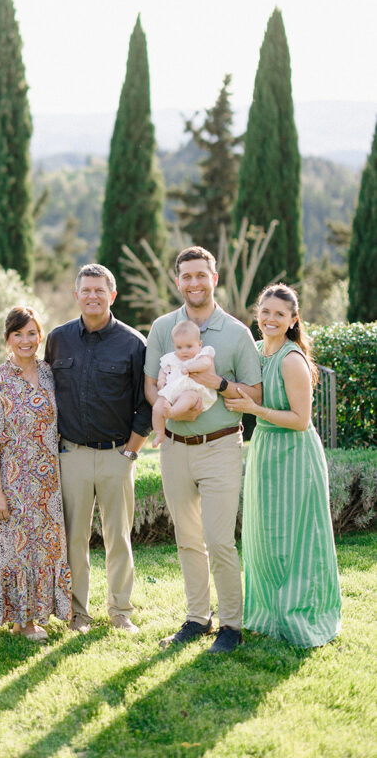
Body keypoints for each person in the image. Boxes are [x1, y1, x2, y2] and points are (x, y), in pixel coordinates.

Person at [144, 246, 262, 653]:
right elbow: (150, 383)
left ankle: (232, 625)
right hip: (175, 447)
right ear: (178, 281)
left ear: (215, 278)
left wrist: (216, 385)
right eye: (186, 276)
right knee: (188, 538)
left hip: (220, 447)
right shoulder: (162, 327)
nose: (194, 282)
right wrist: (173, 404)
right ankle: (197, 618)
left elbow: (254, 392)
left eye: (201, 275)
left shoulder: (236, 332)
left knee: (220, 539)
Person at [224, 284, 341, 647]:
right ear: (257, 314)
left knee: (295, 538)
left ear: (293, 320)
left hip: (294, 454)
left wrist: (255, 411)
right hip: (265, 451)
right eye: (265, 311)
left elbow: (301, 420)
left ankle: (300, 612)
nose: (270, 319)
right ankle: (268, 613)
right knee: (263, 536)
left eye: (279, 314)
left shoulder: (292, 359)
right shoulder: (256, 350)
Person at [44, 263, 151, 634]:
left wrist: (131, 452)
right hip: (71, 454)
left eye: (99, 290)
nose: (92, 296)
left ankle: (121, 611)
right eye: (85, 290)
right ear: (76, 295)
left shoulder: (134, 343)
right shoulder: (57, 339)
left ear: (112, 295)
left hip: (117, 455)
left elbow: (146, 404)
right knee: (73, 538)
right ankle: (79, 614)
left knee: (118, 537)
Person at [0, 306, 72, 641]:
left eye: (31, 333)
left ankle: (32, 616)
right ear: (7, 339)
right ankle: (25, 621)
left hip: (48, 481)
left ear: (40, 335)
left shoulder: (49, 373)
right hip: (14, 481)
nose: (25, 340)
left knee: (44, 549)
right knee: (16, 550)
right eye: (18, 334)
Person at [152, 319, 217, 444]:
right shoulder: (171, 358)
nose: (184, 351)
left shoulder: (201, 355)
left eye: (189, 346)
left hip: (193, 390)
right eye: (179, 347)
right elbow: (163, 369)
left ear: (199, 344)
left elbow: (205, 363)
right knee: (157, 407)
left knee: (188, 397)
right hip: (172, 391)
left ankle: (173, 412)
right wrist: (161, 380)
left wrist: (189, 368)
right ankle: (159, 433)